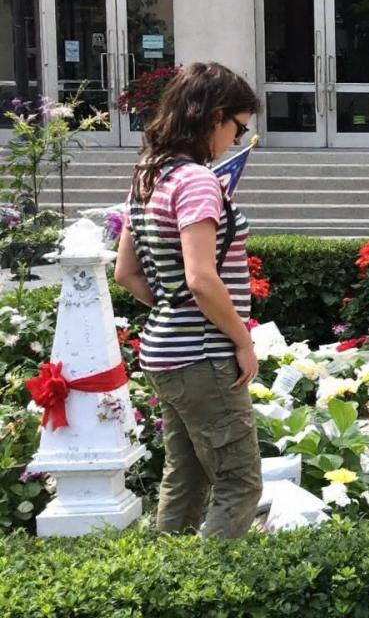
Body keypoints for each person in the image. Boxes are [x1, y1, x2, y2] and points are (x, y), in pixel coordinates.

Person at [114, 62, 263, 540]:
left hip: (165, 351)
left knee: (187, 475)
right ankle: (214, 593)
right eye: (237, 127)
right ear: (214, 116)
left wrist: (170, 308)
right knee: (239, 482)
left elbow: (127, 273)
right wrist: (241, 340)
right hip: (204, 354)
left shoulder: (147, 175)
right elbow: (202, 278)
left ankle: (171, 583)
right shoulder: (197, 181)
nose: (236, 140)